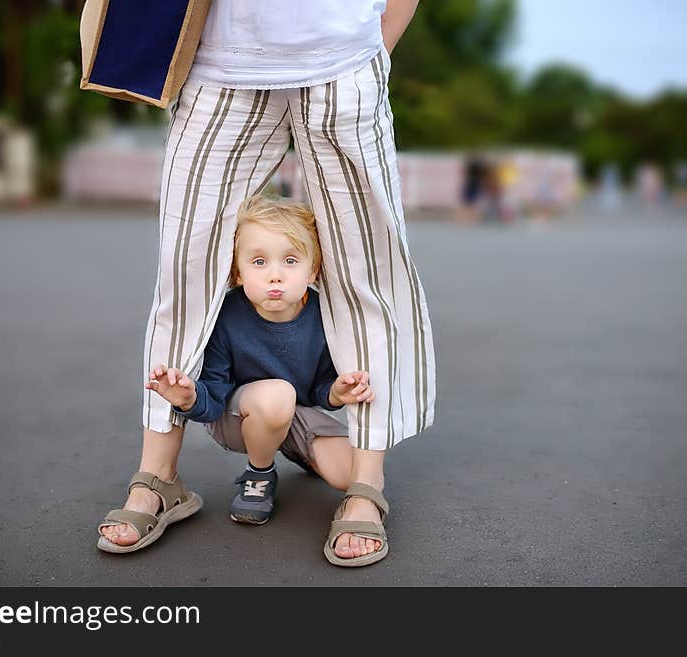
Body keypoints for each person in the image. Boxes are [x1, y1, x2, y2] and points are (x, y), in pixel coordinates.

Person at [98, 0, 436, 566]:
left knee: (366, 274)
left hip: (344, 56)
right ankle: (157, 478)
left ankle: (365, 487)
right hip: (221, 63)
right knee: (185, 271)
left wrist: (374, 42)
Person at [100, 196, 387, 564]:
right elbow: (214, 400)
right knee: (276, 396)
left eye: (290, 260)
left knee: (350, 475)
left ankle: (293, 447)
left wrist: (336, 391)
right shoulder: (227, 315)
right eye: (258, 261)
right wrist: (188, 397)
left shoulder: (322, 316)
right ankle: (259, 474)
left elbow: (318, 388)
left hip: (292, 414)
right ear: (237, 272)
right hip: (239, 416)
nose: (275, 274)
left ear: (313, 270)